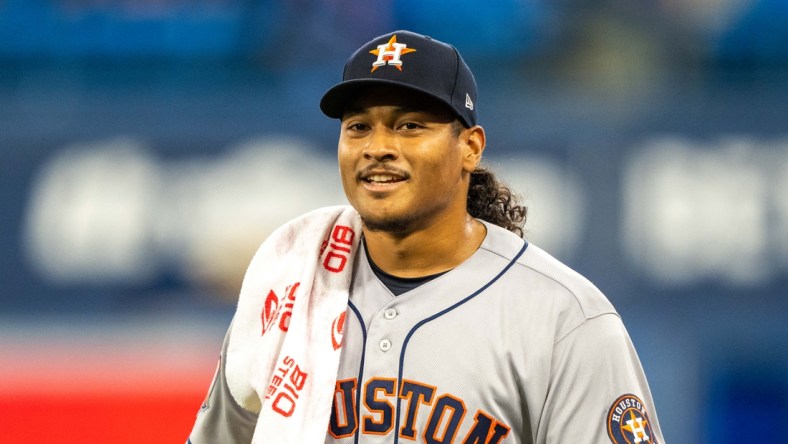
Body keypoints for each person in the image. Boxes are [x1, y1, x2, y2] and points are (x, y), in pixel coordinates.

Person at [188, 30, 664, 444]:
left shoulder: (565, 320)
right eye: (358, 127)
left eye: (409, 126)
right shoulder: (292, 288)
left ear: (470, 148)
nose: (377, 148)